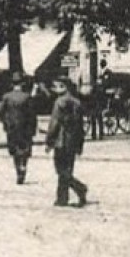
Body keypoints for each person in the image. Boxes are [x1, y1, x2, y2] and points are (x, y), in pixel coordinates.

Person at [45, 79, 89, 208]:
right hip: (73, 140)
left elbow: (54, 124)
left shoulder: (59, 102)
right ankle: (62, 198)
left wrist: (49, 141)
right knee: (68, 168)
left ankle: (79, 188)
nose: (54, 89)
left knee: (60, 170)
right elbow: (81, 126)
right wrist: (80, 144)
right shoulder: (77, 103)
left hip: (61, 140)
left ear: (64, 87)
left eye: (57, 86)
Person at [0, 74, 37, 185]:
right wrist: (33, 128)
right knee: (25, 149)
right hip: (25, 129)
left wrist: (6, 123)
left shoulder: (7, 97)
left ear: (12, 84)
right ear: (22, 84)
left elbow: (0, 113)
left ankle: (18, 169)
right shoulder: (27, 97)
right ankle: (23, 165)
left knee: (14, 150)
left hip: (12, 128)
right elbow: (32, 115)